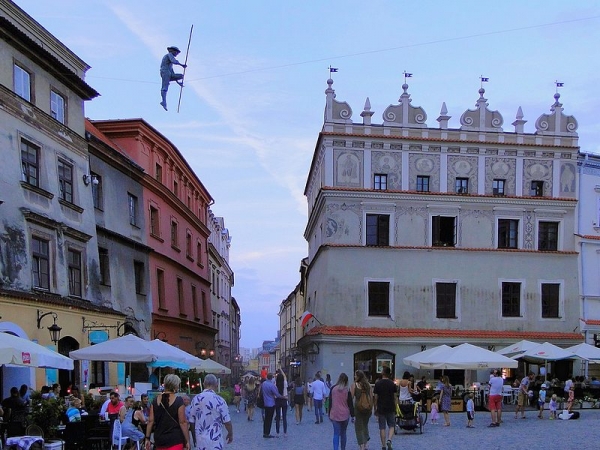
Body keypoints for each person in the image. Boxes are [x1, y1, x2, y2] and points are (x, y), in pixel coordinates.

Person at [144, 374, 190, 450]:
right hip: (175, 439)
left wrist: (147, 438)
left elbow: (150, 421)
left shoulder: (155, 400)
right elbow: (183, 422)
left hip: (159, 439)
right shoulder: (178, 401)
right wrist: (187, 440)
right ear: (176, 386)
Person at [189, 374, 233, 449]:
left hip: (200, 441)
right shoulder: (220, 400)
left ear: (203, 384)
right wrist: (230, 433)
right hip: (215, 441)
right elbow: (227, 421)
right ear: (216, 385)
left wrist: (194, 438)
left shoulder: (195, 399)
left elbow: (191, 421)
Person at [373, 366, 397, 450]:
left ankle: (383, 446)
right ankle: (389, 440)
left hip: (381, 407)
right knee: (391, 425)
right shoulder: (392, 384)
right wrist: (396, 407)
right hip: (391, 407)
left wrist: (375, 408)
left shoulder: (378, 384)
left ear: (383, 373)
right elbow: (395, 397)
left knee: (382, 427)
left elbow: (375, 397)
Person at [329, 373, 354, 450]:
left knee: (336, 433)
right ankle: (343, 448)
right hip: (345, 414)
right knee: (343, 433)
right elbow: (350, 404)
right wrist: (353, 415)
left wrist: (329, 413)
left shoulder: (333, 389)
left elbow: (330, 402)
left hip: (335, 413)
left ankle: (335, 448)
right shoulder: (347, 391)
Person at [160, 46, 187, 111]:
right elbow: (174, 61)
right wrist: (182, 65)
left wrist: (178, 83)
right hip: (165, 72)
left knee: (181, 76)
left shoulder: (170, 63)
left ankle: (164, 102)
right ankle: (164, 101)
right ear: (173, 51)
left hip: (169, 73)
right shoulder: (169, 55)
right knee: (165, 87)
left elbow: (172, 72)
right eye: (176, 52)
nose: (177, 54)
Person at [351, 370, 372, 450]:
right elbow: (371, 397)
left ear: (359, 376)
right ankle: (366, 444)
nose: (354, 377)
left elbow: (352, 397)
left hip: (358, 408)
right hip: (367, 408)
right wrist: (371, 407)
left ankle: (362, 446)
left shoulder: (354, 385)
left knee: (358, 427)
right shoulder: (368, 385)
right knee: (365, 425)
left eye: (355, 375)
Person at [261, 373, 287, 438]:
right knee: (270, 419)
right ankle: (268, 433)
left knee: (266, 419)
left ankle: (265, 432)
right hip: (271, 403)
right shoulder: (272, 385)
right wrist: (284, 397)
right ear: (272, 378)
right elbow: (277, 395)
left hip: (265, 403)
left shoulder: (264, 384)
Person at [274, 370, 288, 437]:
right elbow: (285, 376)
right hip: (284, 400)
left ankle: (277, 432)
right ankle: (285, 432)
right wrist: (281, 370)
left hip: (277, 400)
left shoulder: (275, 385)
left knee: (278, 417)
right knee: (284, 417)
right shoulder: (285, 383)